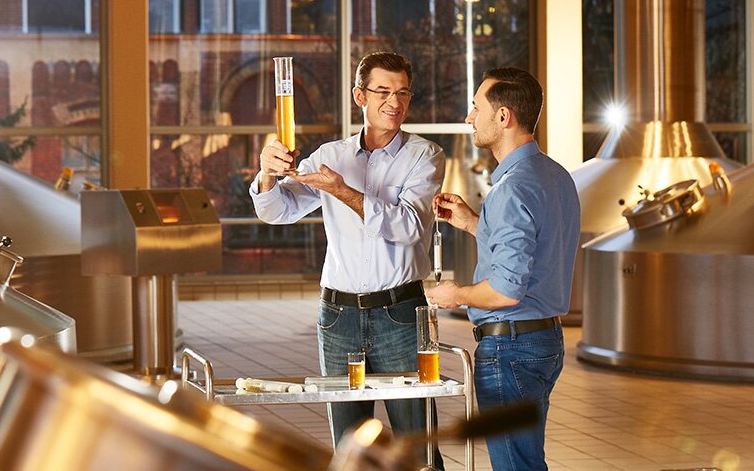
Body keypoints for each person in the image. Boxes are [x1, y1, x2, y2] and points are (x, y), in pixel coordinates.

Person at [249, 51, 445, 469]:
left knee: (417, 445)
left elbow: (409, 227)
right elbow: (276, 210)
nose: (394, 102)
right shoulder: (330, 155)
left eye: (402, 93)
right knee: (349, 450)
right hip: (338, 318)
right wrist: (267, 172)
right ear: (360, 96)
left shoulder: (425, 156)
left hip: (401, 314)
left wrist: (342, 192)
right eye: (382, 92)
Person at [426, 68, 580, 470]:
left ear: (503, 116)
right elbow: (538, 250)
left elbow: (506, 291)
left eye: (476, 107)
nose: (469, 117)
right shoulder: (554, 175)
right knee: (528, 461)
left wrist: (453, 295)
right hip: (545, 342)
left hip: (510, 349)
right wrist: (475, 223)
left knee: (515, 465)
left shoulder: (511, 188)